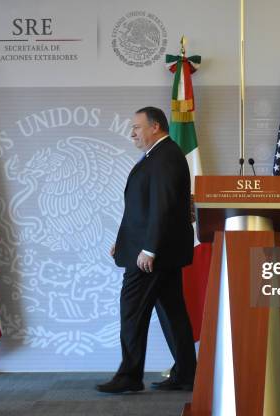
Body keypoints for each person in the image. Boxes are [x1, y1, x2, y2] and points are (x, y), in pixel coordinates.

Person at [96, 107, 196, 394]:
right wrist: (125, 241)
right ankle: (187, 374)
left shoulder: (165, 156)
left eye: (137, 127)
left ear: (155, 127)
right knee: (172, 312)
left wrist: (149, 249)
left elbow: (162, 207)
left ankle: (129, 375)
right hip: (155, 251)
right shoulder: (160, 155)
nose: (132, 133)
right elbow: (142, 208)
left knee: (131, 311)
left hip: (154, 255)